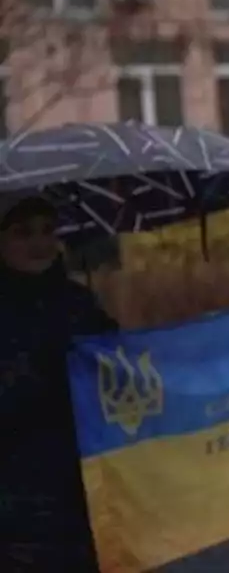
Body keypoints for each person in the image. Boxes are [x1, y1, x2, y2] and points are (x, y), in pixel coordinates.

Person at [0, 195, 116, 572]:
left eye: (48, 230)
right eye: (23, 233)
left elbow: (116, 376)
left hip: (86, 489)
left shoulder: (77, 301)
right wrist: (38, 367)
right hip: (16, 502)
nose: (40, 243)